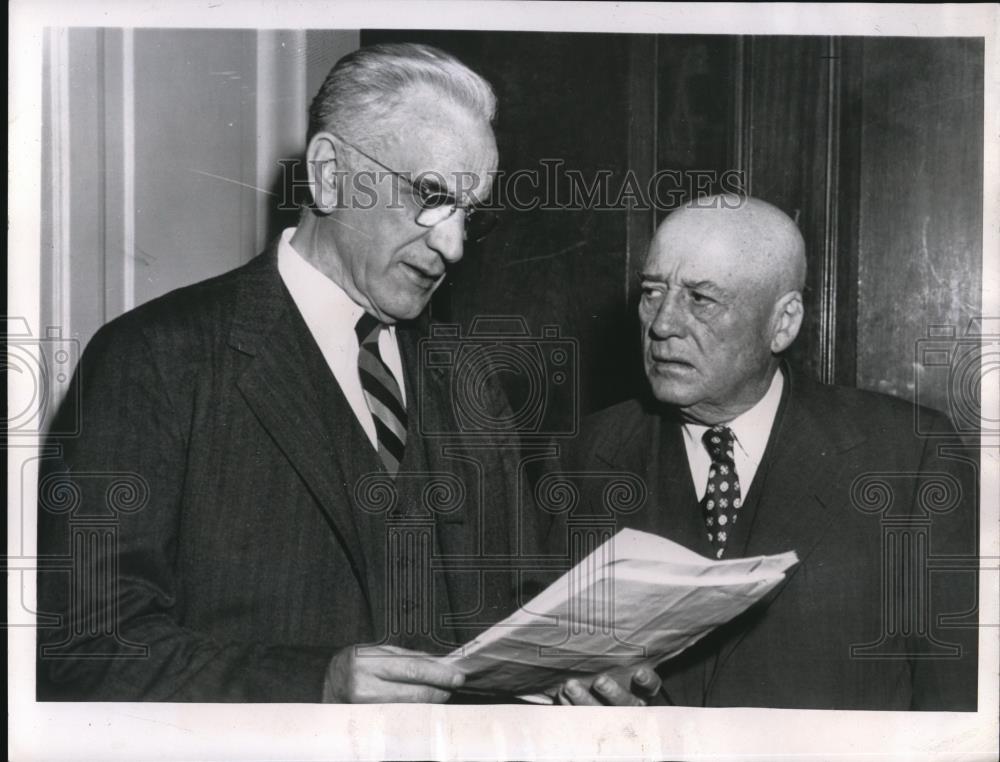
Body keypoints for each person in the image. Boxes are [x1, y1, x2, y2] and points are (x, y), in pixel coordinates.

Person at [36, 42, 543, 703]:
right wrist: (312, 687)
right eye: (431, 196)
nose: (453, 245)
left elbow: (522, 612)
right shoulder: (154, 360)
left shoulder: (471, 383)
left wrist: (573, 676)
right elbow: (85, 646)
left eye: (470, 215)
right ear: (328, 175)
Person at [555, 194, 978, 709]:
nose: (662, 324)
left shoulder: (908, 459)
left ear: (783, 322)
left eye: (700, 299)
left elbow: (956, 710)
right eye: (651, 292)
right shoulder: (582, 456)